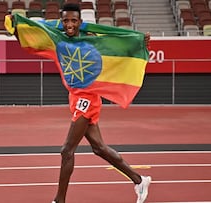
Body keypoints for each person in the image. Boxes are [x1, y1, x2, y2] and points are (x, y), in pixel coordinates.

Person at [48, 3, 152, 203]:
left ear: (80, 22)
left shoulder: (91, 39)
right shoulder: (58, 36)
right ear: (62, 22)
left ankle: (59, 200)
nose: (70, 24)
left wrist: (139, 40)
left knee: (66, 150)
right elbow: (38, 33)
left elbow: (115, 44)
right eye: (66, 20)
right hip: (75, 97)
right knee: (99, 148)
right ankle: (139, 180)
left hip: (88, 99)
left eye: (73, 20)